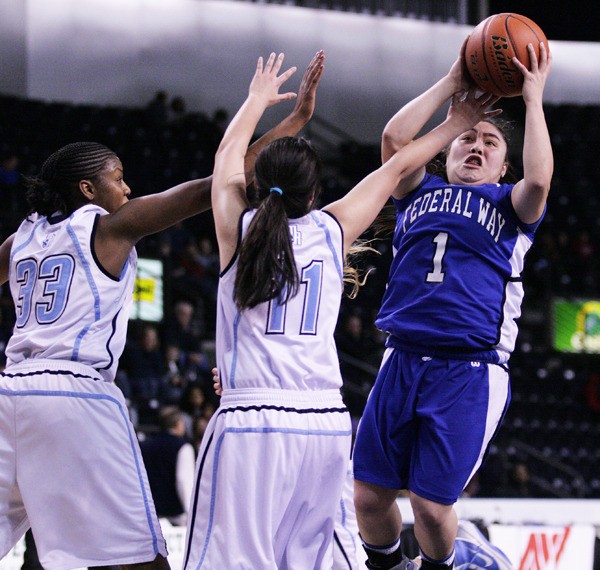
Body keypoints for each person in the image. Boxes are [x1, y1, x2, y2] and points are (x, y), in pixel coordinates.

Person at [0, 51, 330, 570]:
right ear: (88, 189)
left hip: (10, 391)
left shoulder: (22, 237)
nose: (127, 188)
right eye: (118, 178)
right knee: (144, 558)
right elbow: (210, 188)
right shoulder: (108, 227)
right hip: (74, 394)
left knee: (45, 542)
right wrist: (288, 122)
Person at [182, 49, 499, 569]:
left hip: (249, 423)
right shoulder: (332, 229)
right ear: (315, 193)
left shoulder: (235, 231)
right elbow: (399, 163)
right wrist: (456, 122)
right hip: (324, 425)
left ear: (258, 185)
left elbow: (225, 160)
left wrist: (257, 100)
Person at [352, 38, 553, 570]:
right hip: (402, 357)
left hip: (468, 369)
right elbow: (395, 138)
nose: (477, 146)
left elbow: (539, 178)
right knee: (369, 499)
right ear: (445, 151)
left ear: (501, 167)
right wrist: (451, 87)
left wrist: (532, 100)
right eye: (468, 137)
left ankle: (450, 564)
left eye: (490, 142)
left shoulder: (511, 207)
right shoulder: (416, 189)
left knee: (432, 510)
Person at [141, 406, 196, 527]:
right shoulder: (183, 447)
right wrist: (190, 512)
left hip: (150, 515)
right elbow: (184, 482)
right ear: (178, 424)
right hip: (175, 517)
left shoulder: (145, 446)